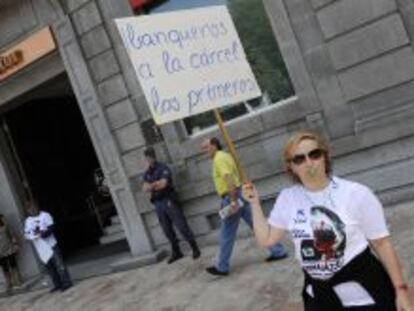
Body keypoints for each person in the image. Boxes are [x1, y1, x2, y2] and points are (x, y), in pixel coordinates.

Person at [244, 130, 413, 310]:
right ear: (291, 167)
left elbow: (381, 244)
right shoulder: (288, 198)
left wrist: (401, 290)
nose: (309, 162)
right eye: (299, 159)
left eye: (314, 154)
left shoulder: (356, 193)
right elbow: (266, 239)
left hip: (364, 295)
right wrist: (254, 204)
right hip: (321, 297)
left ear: (325, 157)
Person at [201, 137, 287, 277]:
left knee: (226, 233)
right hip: (240, 194)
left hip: (232, 197)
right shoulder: (225, 156)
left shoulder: (219, 159)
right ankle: (278, 251)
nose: (204, 151)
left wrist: (233, 201)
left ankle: (222, 266)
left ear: (214, 145)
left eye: (206, 147)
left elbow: (229, 179)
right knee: (257, 224)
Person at [142, 147, 201, 264]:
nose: (148, 159)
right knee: (167, 229)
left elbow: (163, 184)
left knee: (181, 225)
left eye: (149, 157)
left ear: (153, 157)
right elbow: (144, 188)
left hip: (168, 200)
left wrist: (152, 185)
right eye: (146, 157)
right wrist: (155, 185)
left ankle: (195, 248)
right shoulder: (147, 173)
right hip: (158, 203)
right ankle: (177, 252)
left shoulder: (163, 168)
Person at [24, 200, 72, 292]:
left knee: (59, 264)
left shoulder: (45, 215)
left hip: (51, 244)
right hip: (40, 247)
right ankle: (57, 284)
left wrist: (42, 234)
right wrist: (29, 236)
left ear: (37, 207)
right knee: (49, 267)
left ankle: (66, 282)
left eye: (33, 207)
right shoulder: (28, 221)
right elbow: (27, 232)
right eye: (29, 208)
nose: (32, 209)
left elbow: (51, 228)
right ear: (27, 210)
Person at [0, 214, 22, 292]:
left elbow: (12, 234)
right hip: (0, 252)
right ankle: (9, 283)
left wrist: (15, 244)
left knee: (13, 265)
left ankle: (17, 280)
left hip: (9, 248)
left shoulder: (4, 223)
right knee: (5, 268)